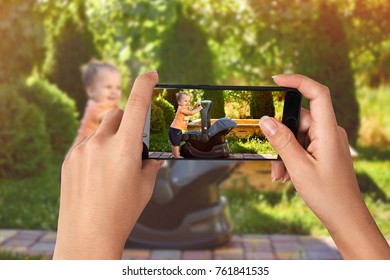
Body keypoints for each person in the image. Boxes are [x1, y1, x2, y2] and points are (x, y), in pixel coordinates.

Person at [53, 72, 390, 259]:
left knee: (216, 127)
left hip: (198, 137)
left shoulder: (200, 117)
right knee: (200, 135)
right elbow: (183, 126)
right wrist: (352, 223)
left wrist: (79, 253)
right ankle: (184, 150)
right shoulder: (183, 116)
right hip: (188, 139)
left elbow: (197, 119)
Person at [73, 60, 122, 146]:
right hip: (81, 152)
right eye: (108, 87)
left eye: (118, 87)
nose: (114, 91)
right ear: (91, 91)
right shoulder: (94, 107)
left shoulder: (113, 106)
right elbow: (107, 118)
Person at [168, 92, 203, 158]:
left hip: (175, 129)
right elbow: (191, 113)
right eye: (185, 101)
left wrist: (195, 106)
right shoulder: (181, 109)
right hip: (176, 129)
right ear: (179, 103)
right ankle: (176, 156)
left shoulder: (185, 108)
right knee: (176, 143)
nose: (188, 103)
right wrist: (199, 109)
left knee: (175, 142)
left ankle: (174, 155)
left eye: (189, 101)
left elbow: (191, 111)